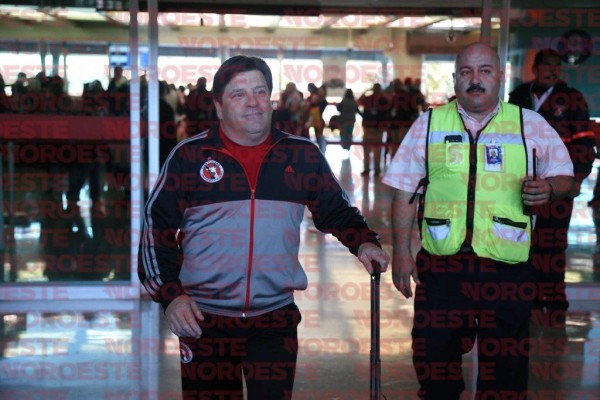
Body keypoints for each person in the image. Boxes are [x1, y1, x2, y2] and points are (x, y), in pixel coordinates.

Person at [138, 55, 390, 400]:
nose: (253, 102)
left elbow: (337, 210)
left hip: (274, 320)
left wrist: (364, 242)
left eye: (260, 92)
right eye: (238, 94)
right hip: (204, 320)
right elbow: (156, 231)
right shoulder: (190, 157)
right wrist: (172, 297)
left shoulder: (300, 155)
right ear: (219, 107)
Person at [382, 42, 574, 400]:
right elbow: (405, 190)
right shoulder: (429, 124)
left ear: (499, 76)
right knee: (434, 359)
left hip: (507, 269)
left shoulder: (529, 124)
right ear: (455, 78)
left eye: (485, 71)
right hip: (443, 267)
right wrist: (402, 253)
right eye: (467, 72)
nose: (476, 80)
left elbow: (565, 175)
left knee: (506, 371)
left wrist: (550, 188)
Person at [508, 48, 595, 327]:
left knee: (554, 244)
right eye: (547, 65)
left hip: (559, 182)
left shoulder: (572, 99)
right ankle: (530, 300)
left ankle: (556, 304)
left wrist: (577, 179)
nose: (553, 70)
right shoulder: (519, 96)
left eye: (557, 66)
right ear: (535, 69)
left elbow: (584, 141)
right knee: (525, 241)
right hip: (521, 184)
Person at [358, 83, 391, 176]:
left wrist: (366, 91)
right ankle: (375, 170)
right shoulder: (381, 99)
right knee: (376, 151)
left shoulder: (372, 98)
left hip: (372, 128)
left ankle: (369, 169)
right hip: (375, 128)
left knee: (369, 150)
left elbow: (359, 101)